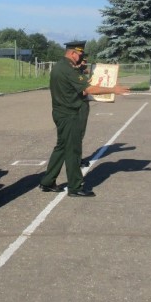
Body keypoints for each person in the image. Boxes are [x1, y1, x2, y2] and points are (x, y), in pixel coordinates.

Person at [40, 41, 130, 197]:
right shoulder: (68, 69)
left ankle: (48, 181)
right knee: (73, 150)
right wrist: (112, 90)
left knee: (61, 147)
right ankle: (75, 187)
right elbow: (88, 89)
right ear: (72, 53)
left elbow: (79, 87)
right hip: (69, 114)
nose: (81, 58)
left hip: (60, 112)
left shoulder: (61, 66)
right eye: (80, 54)